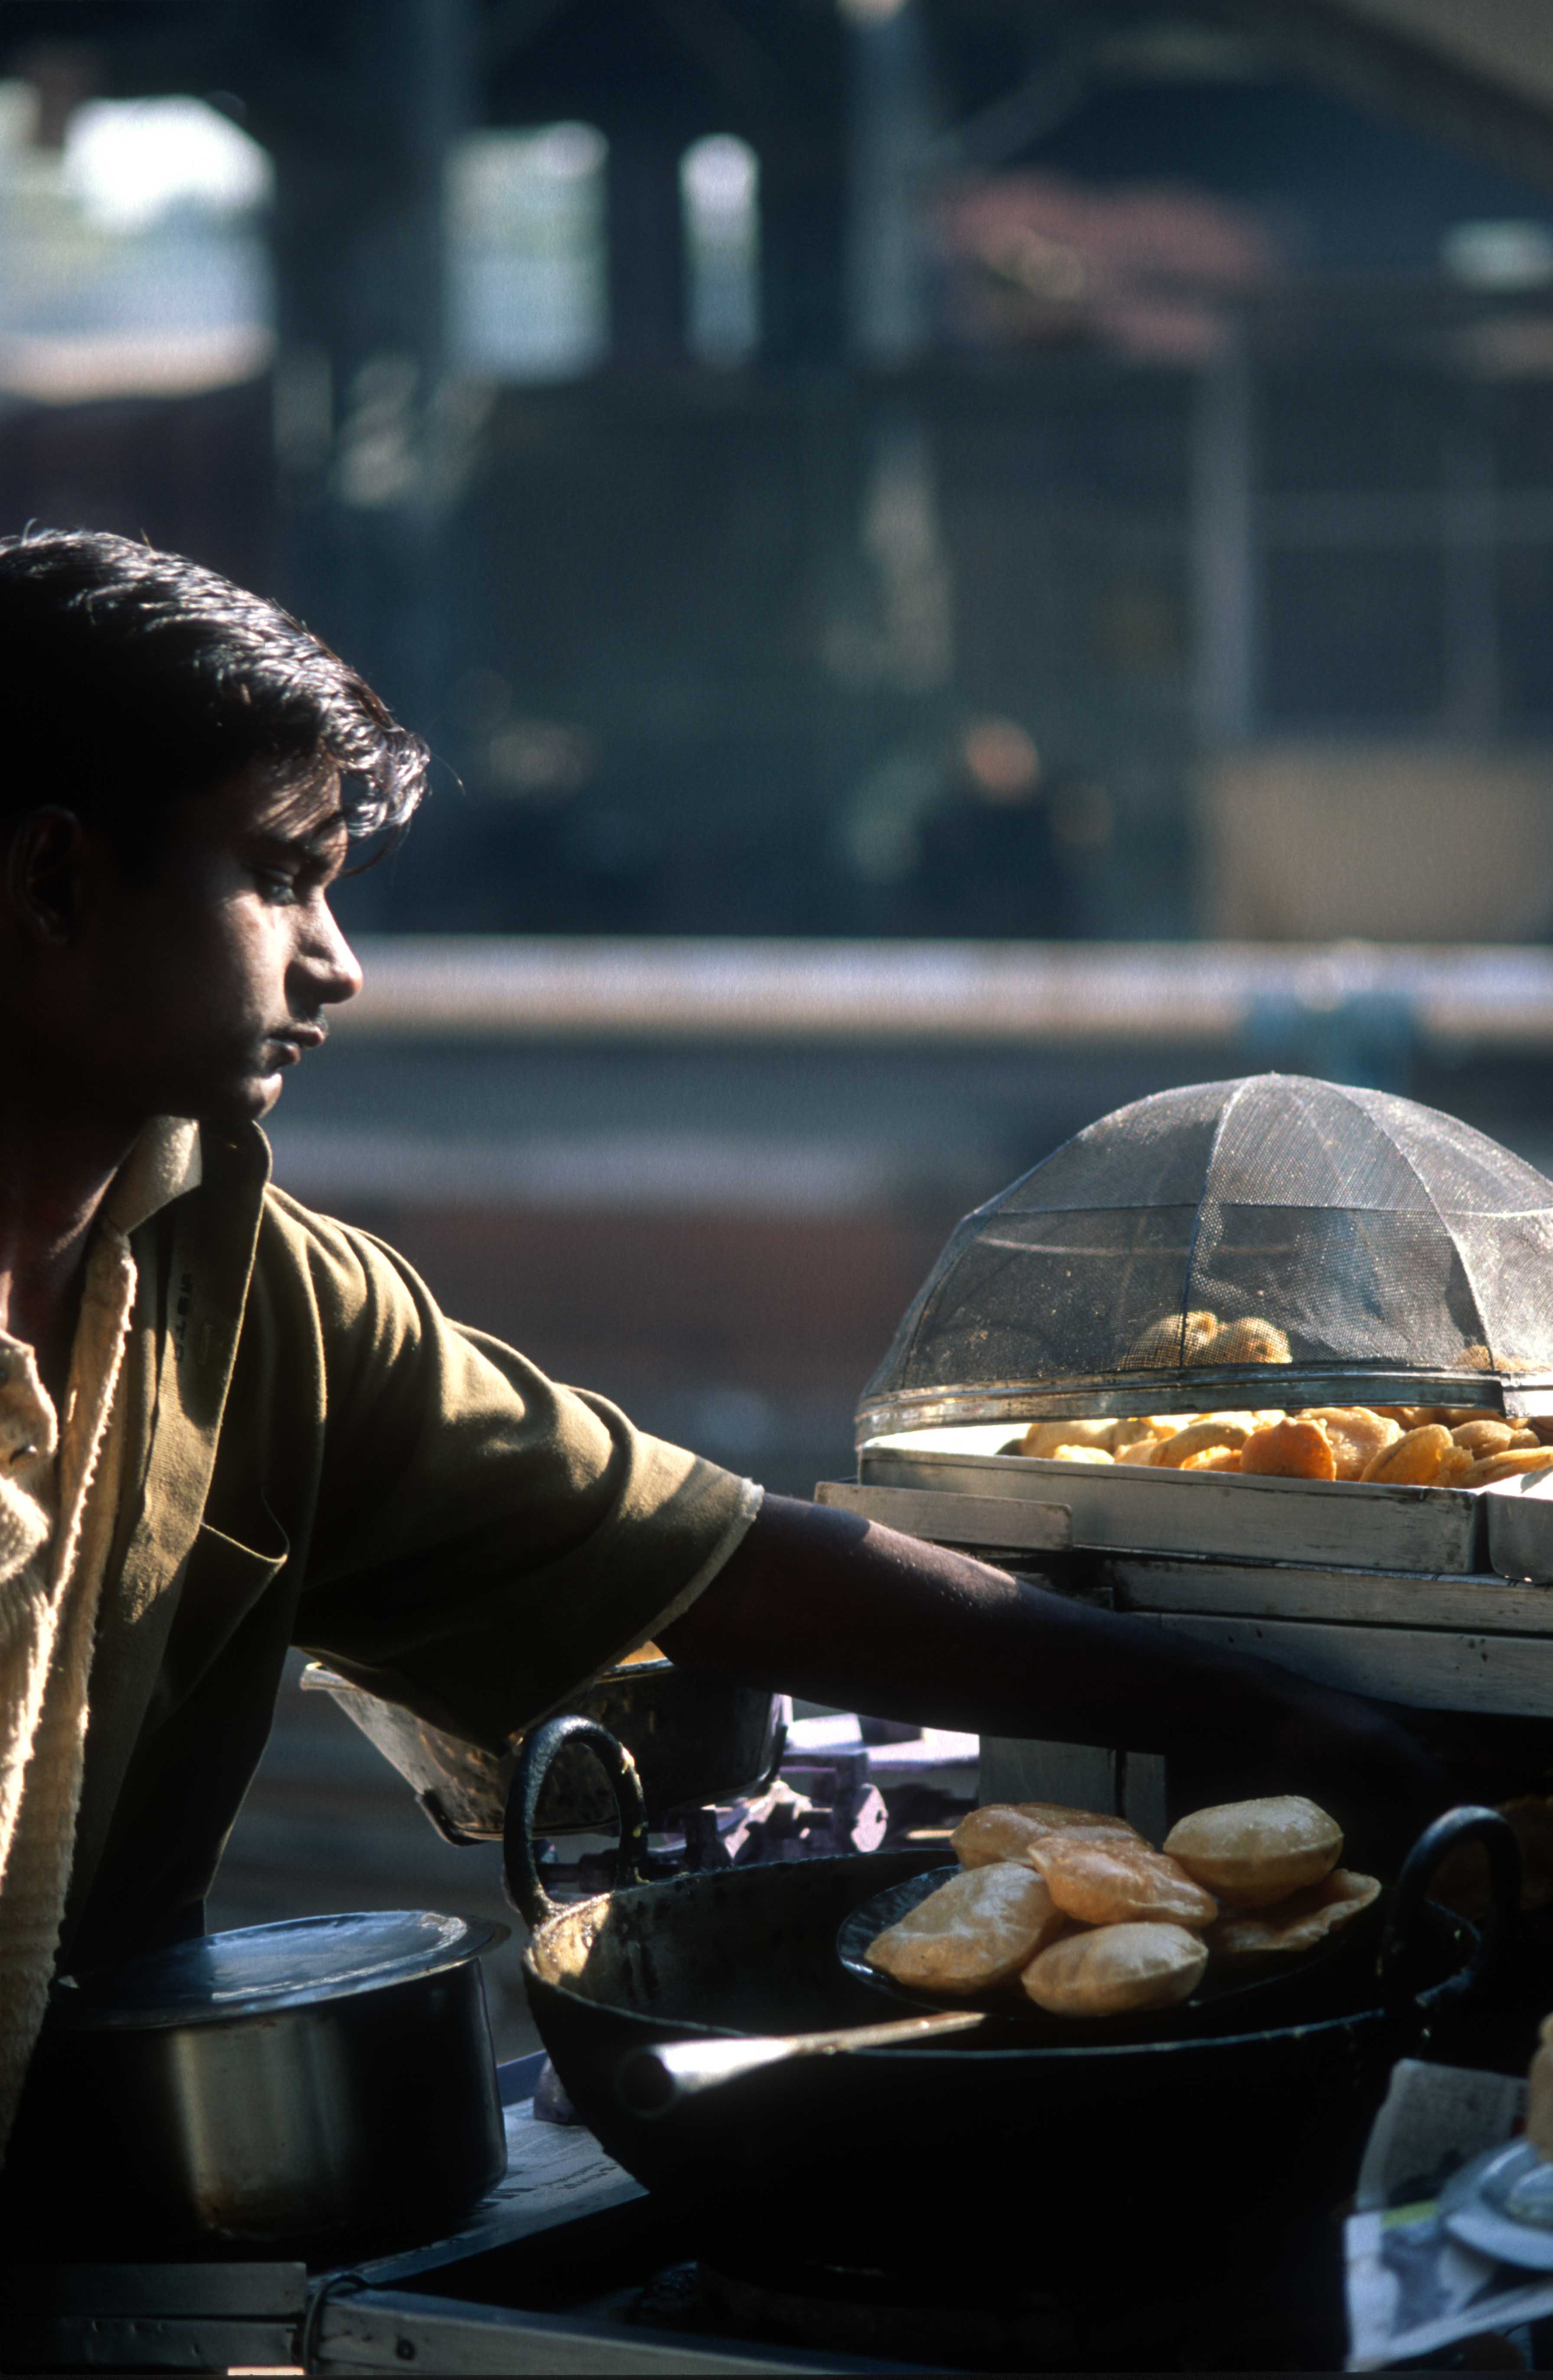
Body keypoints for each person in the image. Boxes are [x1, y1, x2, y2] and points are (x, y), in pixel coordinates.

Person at [0, 531, 1443, 2163]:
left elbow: (721, 1560)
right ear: (54, 882)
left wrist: (1290, 1724)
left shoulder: (257, 1297)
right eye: (277, 877)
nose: (337, 964)